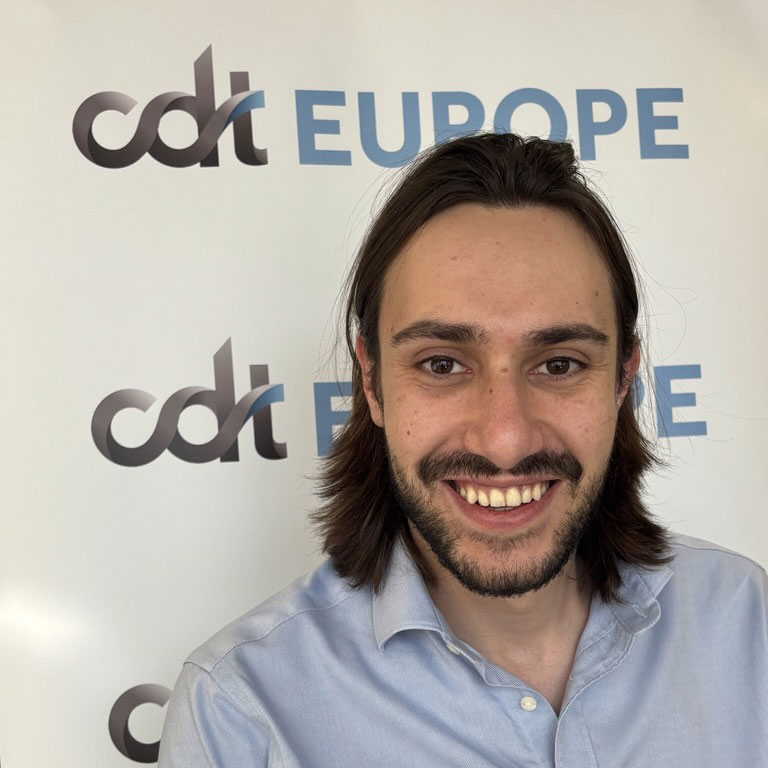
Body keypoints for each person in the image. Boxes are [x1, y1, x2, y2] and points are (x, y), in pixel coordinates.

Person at [158, 133, 768, 767]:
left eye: (559, 364)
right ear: (372, 382)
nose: (505, 438)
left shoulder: (748, 628)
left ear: (622, 379)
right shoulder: (241, 716)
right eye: (443, 364)